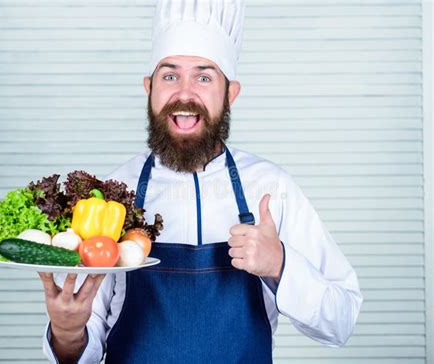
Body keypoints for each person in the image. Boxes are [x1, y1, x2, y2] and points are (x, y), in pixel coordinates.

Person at [40, 1, 363, 363]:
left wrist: (280, 265)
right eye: (170, 75)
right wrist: (66, 332)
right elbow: (80, 342)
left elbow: (341, 320)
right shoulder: (116, 192)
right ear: (149, 87)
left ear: (231, 94)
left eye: (204, 77)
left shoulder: (271, 188)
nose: (185, 93)